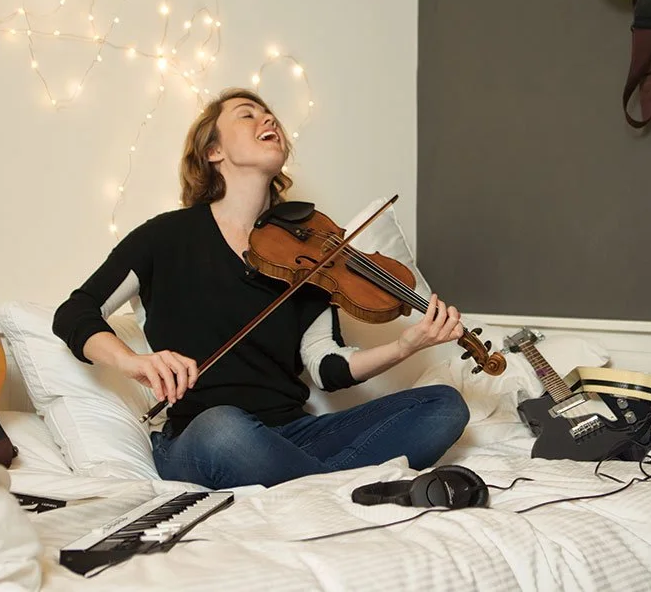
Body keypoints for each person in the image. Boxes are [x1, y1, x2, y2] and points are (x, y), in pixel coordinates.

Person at [51, 87, 470, 490]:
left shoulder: (310, 251)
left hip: (294, 434)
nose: (268, 119)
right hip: (204, 437)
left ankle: (310, 484)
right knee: (224, 428)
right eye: (247, 114)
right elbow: (76, 312)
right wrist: (132, 362)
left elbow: (328, 367)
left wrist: (406, 346)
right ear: (213, 151)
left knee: (443, 406)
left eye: (269, 115)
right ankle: (332, 485)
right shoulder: (164, 238)